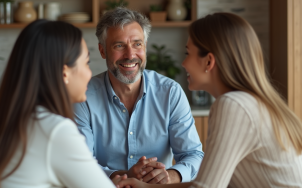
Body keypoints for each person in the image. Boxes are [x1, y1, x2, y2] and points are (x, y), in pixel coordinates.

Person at [116, 12, 302, 188]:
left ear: (208, 61)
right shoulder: (250, 102)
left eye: (188, 53)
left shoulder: (233, 105)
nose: (183, 63)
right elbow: (208, 183)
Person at [0, 20, 127, 188]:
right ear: (64, 73)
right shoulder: (53, 130)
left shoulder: (1, 120)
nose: (90, 73)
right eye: (86, 63)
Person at [74, 7, 204, 184]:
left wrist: (169, 177)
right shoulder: (83, 97)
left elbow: (193, 155)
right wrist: (124, 176)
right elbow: (81, 165)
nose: (130, 55)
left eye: (137, 44)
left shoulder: (170, 92)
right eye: (119, 45)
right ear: (103, 50)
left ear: (145, 46)